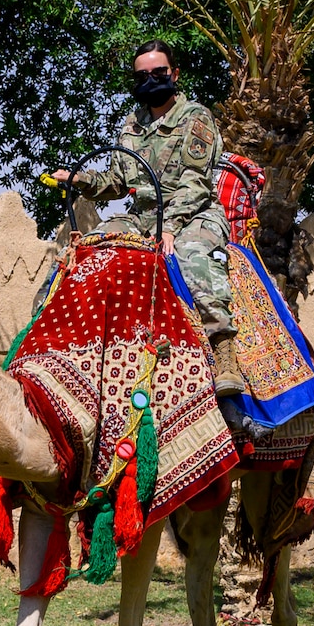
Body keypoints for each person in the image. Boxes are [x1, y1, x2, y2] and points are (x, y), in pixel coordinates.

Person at [54, 39, 246, 397]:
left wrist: (170, 227)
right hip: (142, 215)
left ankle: (224, 350)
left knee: (191, 259)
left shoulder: (196, 118)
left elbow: (195, 183)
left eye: (158, 73)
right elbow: (117, 181)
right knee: (91, 250)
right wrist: (80, 179)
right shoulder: (131, 125)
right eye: (142, 75)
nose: (151, 80)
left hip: (194, 213)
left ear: (174, 73)